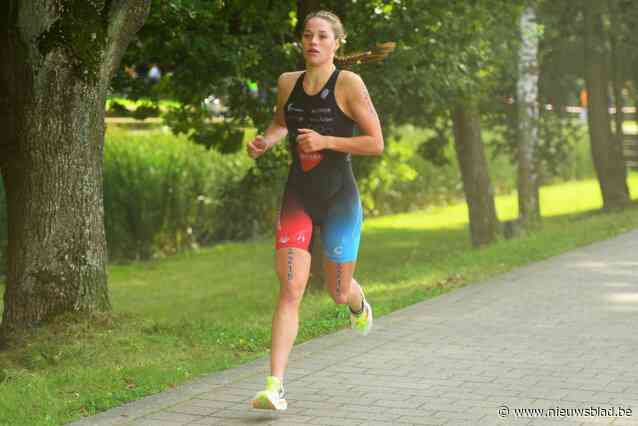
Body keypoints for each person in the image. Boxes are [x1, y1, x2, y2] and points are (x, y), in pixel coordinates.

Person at [247, 10, 384, 411]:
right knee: (290, 289)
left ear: (336, 44)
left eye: (323, 36)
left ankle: (358, 303)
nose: (313, 42)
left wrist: (326, 141)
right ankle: (275, 386)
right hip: (299, 195)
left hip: (339, 197)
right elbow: (281, 122)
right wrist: (266, 142)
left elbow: (375, 142)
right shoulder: (288, 83)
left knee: (338, 292)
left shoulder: (349, 84)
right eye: (307, 35)